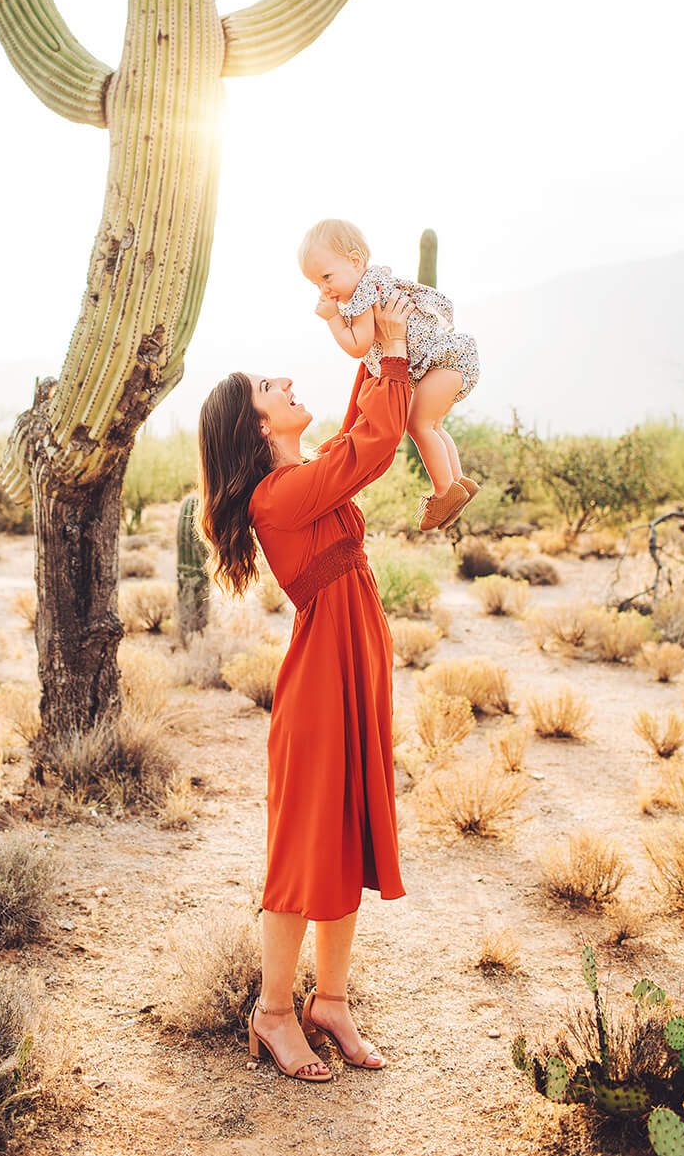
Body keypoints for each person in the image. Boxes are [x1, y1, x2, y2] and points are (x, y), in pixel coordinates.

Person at [195, 287, 420, 1082]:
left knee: (347, 831)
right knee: (301, 849)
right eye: (267, 388)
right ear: (257, 428)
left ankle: (332, 1001)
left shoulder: (304, 476)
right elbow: (373, 448)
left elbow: (359, 434)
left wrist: (370, 352)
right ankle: (274, 1010)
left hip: (353, 663)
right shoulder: (277, 496)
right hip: (322, 680)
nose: (284, 382)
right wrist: (389, 354)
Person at [299, 217, 481, 531]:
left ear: (355, 261)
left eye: (327, 277)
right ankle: (457, 484)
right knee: (433, 424)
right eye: (317, 284)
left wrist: (332, 320)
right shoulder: (375, 281)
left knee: (418, 423)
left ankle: (443, 492)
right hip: (454, 359)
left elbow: (358, 345)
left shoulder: (363, 297)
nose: (325, 290)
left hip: (443, 361)